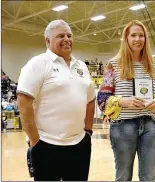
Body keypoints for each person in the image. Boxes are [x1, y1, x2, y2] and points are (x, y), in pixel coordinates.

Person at [17, 20, 95, 181]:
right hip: (46, 145)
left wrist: (88, 132)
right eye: (60, 36)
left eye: (69, 35)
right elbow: (24, 101)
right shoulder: (38, 63)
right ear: (47, 41)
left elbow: (90, 100)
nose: (67, 39)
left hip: (79, 145)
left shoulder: (82, 66)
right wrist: (35, 140)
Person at [97, 20, 155, 181]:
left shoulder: (154, 66)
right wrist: (122, 101)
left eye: (141, 35)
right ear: (126, 38)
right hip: (123, 127)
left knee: (148, 177)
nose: (137, 39)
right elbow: (102, 99)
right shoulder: (114, 64)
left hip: (152, 126)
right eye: (133, 35)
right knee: (123, 177)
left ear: (145, 39)